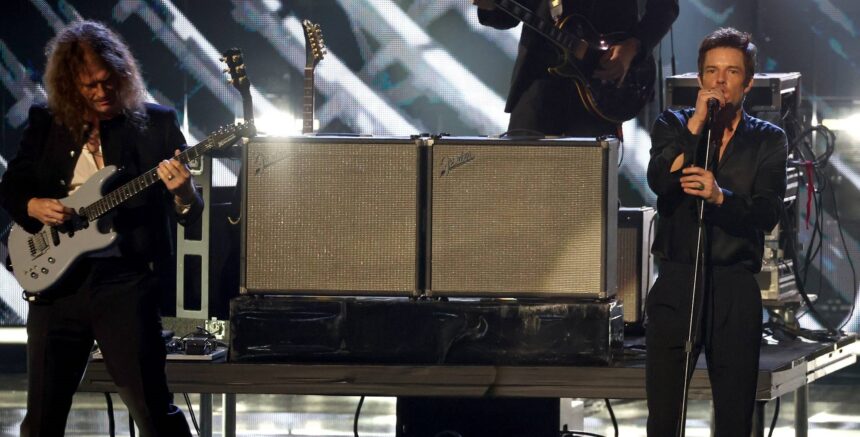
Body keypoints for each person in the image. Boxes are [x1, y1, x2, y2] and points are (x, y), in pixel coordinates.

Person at [0, 20, 201, 437]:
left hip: (124, 286)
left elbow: (189, 212)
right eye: (89, 85)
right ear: (70, 85)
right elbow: (12, 186)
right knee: (40, 422)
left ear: (122, 74)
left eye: (108, 81)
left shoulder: (157, 124)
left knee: (154, 413)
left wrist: (183, 192)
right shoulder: (47, 122)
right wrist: (33, 205)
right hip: (56, 289)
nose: (101, 92)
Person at [645, 27, 787, 436]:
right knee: (664, 417)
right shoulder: (674, 124)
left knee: (734, 418)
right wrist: (696, 124)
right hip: (677, 281)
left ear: (748, 82)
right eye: (711, 71)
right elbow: (659, 180)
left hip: (733, 287)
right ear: (700, 78)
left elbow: (767, 212)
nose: (720, 81)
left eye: (731, 72)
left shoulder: (768, 139)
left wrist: (721, 197)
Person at [473, 0, 679, 137]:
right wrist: (491, 7)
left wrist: (633, 46)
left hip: (601, 84)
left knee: (587, 181)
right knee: (525, 175)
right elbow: (509, 14)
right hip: (538, 82)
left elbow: (665, 7)